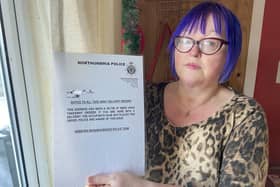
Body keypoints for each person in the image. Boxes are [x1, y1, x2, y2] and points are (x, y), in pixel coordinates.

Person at [86, 1, 269, 187]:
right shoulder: (143, 97)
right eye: (185, 39)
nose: (193, 51)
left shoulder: (245, 116)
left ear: (230, 53)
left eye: (210, 42)